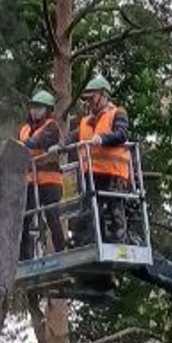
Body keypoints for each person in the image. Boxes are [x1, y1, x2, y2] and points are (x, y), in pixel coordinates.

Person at [75, 74, 131, 243]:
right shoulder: (86, 121)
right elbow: (73, 137)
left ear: (104, 95)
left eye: (92, 98)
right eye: (87, 99)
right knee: (90, 208)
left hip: (112, 171)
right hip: (92, 172)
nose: (89, 102)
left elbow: (122, 134)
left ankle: (119, 240)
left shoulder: (117, 113)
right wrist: (59, 144)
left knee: (114, 210)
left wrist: (103, 139)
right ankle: (93, 240)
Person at [19, 89, 66, 259]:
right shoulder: (24, 129)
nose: (35, 111)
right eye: (33, 107)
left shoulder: (51, 126)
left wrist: (23, 144)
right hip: (31, 182)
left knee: (52, 217)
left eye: (39, 108)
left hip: (50, 181)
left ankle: (61, 253)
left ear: (47, 110)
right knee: (25, 220)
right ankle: (24, 258)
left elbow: (40, 142)